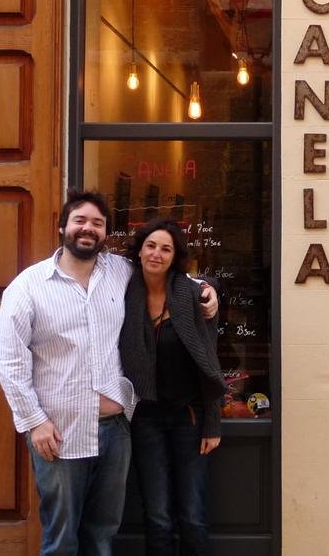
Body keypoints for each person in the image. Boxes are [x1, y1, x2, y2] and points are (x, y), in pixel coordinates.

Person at [0, 190, 217, 556]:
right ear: (62, 227)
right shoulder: (27, 287)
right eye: (80, 220)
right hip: (59, 432)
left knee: (102, 535)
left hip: (116, 431)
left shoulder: (119, 271)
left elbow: (173, 277)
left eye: (97, 223)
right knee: (61, 538)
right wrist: (34, 421)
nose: (88, 229)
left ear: (105, 234)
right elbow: (10, 361)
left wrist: (209, 290)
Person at [119, 219, 226, 556]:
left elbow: (208, 363)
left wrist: (212, 422)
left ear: (175, 256)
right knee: (158, 517)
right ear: (139, 250)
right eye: (151, 245)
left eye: (166, 248)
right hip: (145, 418)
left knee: (193, 518)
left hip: (189, 418)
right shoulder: (123, 290)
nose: (156, 253)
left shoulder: (193, 295)